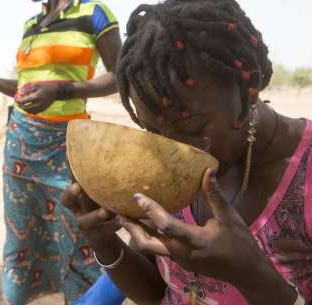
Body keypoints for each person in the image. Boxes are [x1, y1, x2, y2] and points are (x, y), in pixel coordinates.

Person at [62, 0, 311, 304]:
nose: (172, 149)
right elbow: (161, 293)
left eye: (192, 129)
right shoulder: (165, 172)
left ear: (251, 84)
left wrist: (252, 275)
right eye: (152, 131)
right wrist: (104, 242)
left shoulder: (304, 174)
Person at [0, 0, 122, 304]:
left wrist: (61, 91)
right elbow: (26, 88)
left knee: (79, 233)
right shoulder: (32, 24)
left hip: (67, 143)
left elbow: (119, 75)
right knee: (21, 235)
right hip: (21, 143)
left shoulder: (94, 12)